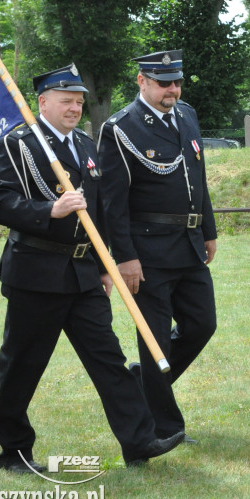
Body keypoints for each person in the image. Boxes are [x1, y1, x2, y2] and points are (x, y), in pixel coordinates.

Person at [0, 65, 185, 472]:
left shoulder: (86, 145)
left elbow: (99, 211)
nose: (75, 107)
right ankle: (15, 451)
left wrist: (103, 265)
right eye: (66, 100)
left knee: (108, 359)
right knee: (22, 366)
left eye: (79, 101)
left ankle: (139, 440)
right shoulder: (19, 144)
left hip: (83, 274)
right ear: (43, 102)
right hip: (36, 274)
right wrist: (50, 209)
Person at [98, 50, 216, 442]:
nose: (172, 89)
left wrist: (209, 230)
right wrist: (125, 257)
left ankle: (146, 384)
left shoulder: (188, 115)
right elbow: (113, 202)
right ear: (142, 81)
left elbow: (198, 179)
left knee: (202, 324)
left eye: (177, 81)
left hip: (189, 243)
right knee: (156, 341)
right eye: (164, 82)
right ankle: (165, 424)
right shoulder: (121, 128)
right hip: (147, 252)